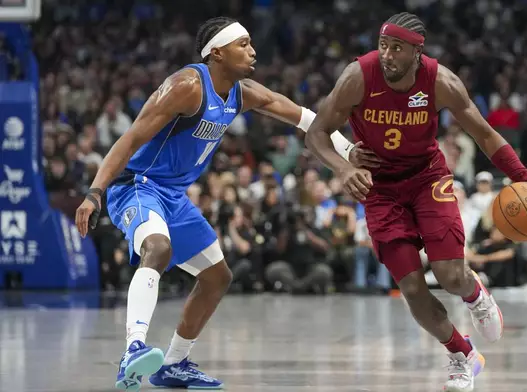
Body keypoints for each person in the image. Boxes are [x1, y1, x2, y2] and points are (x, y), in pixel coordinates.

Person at [74, 17, 380, 391]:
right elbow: (130, 140)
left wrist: (348, 150)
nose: (253, 51)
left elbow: (303, 118)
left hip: (173, 195)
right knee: (158, 247)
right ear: (217, 52)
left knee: (217, 277)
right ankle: (133, 350)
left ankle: (173, 363)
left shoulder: (243, 92)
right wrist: (95, 192)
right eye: (244, 44)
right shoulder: (186, 86)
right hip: (138, 185)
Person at [304, 12, 527, 392]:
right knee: (413, 289)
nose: (387, 54)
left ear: (418, 52)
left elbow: (486, 136)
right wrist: (342, 167)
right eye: (383, 45)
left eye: (397, 48)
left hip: (427, 179)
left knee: (450, 274)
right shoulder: (358, 76)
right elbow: (317, 133)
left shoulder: (441, 82)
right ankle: (462, 354)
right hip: (380, 189)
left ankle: (475, 294)